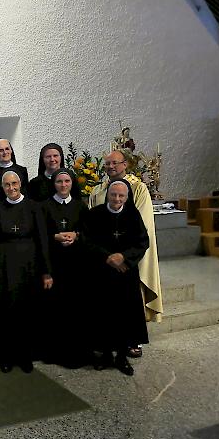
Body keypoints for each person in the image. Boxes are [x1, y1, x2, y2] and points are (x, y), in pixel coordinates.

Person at [89, 149, 162, 358]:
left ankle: (132, 341)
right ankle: (108, 341)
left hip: (129, 260)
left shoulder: (138, 188)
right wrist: (106, 256)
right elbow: (91, 229)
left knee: (130, 301)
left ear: (125, 165)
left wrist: (125, 256)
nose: (111, 167)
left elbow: (141, 227)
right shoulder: (97, 190)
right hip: (104, 260)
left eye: (115, 163)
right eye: (107, 164)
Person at [0, 171, 52, 374]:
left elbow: (43, 240)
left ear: (20, 184)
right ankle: (6, 356)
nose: (11, 188)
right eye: (7, 185)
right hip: (4, 266)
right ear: (2, 187)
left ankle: (25, 356)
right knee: (5, 313)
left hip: (29, 266)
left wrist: (47, 272)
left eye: (14, 184)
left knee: (27, 311)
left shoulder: (34, 207)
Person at [84, 180, 150, 376]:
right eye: (113, 195)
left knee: (125, 315)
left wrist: (124, 257)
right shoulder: (95, 215)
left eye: (121, 196)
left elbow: (142, 241)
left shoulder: (132, 215)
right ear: (107, 195)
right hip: (101, 274)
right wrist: (107, 257)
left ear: (127, 197)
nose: (117, 199)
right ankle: (104, 355)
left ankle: (121, 357)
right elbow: (86, 241)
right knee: (103, 314)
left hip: (125, 275)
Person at [40, 168, 90, 367]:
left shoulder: (80, 206)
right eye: (59, 181)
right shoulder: (44, 207)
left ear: (72, 184)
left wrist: (76, 236)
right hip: (54, 265)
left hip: (75, 266)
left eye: (67, 181)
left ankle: (77, 354)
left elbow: (89, 233)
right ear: (54, 184)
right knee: (55, 311)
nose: (63, 185)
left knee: (74, 310)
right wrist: (55, 236)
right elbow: (40, 236)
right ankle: (54, 353)